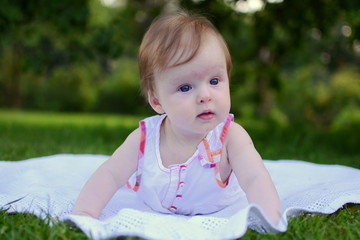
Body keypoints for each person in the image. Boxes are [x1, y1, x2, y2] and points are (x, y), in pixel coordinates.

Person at [72, 11, 281, 225]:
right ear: (157, 101)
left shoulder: (230, 137)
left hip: (217, 210)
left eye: (215, 81)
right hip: (153, 210)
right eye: (185, 87)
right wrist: (85, 213)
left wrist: (269, 217)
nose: (205, 96)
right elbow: (111, 174)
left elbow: (254, 177)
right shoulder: (145, 138)